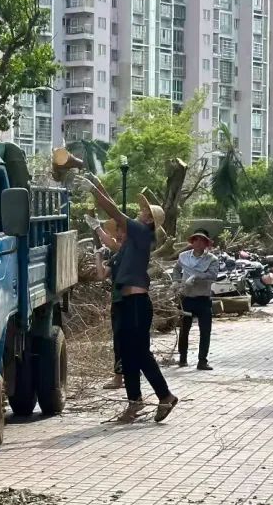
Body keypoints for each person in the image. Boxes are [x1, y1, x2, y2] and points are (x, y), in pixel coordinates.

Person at [85, 175, 179, 423]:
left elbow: (115, 212)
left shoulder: (142, 233)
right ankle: (134, 402)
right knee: (128, 354)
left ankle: (165, 395)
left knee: (140, 353)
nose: (140, 212)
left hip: (137, 303)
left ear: (149, 220)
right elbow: (114, 224)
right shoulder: (129, 243)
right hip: (127, 303)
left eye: (144, 210)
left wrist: (94, 190)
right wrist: (98, 191)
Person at [171, 229, 219, 370]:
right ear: (192, 242)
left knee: (205, 330)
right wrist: (175, 281)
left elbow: (213, 275)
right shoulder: (183, 256)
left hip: (203, 298)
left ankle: (202, 361)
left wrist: (197, 277)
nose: (198, 243)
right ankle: (182, 358)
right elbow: (176, 269)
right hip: (186, 297)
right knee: (184, 329)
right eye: (196, 240)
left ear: (206, 244)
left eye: (202, 240)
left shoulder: (211, 259)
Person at [95, 219, 125, 390]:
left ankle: (124, 377)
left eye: (121, 234)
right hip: (117, 302)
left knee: (128, 342)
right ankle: (119, 377)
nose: (118, 237)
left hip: (130, 302)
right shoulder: (116, 257)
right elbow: (102, 275)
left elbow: (110, 243)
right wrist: (98, 256)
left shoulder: (131, 252)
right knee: (119, 341)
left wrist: (97, 228)